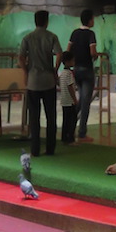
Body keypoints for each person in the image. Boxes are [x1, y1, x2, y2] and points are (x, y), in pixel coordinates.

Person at [19, 10, 62, 157]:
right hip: (48, 80)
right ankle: (50, 149)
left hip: (33, 81)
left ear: (35, 21)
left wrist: (26, 71)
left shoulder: (27, 37)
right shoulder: (52, 36)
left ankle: (35, 150)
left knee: (34, 117)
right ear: (46, 21)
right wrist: (55, 69)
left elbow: (21, 57)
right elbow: (59, 54)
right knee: (51, 116)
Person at [68, 9, 97, 142]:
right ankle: (82, 133)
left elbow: (68, 50)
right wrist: (96, 56)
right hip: (87, 70)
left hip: (76, 70)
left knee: (80, 100)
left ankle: (70, 126)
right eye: (93, 19)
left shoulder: (74, 33)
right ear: (89, 20)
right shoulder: (91, 34)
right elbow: (93, 52)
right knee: (85, 102)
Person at [59, 51, 78, 144]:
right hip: (70, 101)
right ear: (67, 61)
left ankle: (64, 138)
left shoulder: (62, 73)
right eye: (72, 60)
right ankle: (70, 139)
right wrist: (75, 99)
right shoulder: (69, 73)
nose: (74, 62)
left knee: (65, 120)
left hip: (64, 101)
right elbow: (70, 87)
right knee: (72, 120)